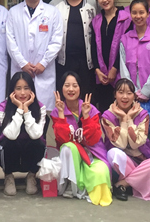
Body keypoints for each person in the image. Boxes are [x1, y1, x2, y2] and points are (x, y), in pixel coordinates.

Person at [102, 78, 150, 201]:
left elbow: (135, 144)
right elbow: (121, 144)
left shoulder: (143, 115)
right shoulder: (107, 116)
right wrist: (124, 119)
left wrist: (129, 120)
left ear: (134, 96)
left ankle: (122, 184)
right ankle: (140, 180)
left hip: (140, 161)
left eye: (129, 93)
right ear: (115, 94)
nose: (125, 97)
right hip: (120, 165)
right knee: (113, 153)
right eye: (121, 92)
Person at [50, 72, 112, 206]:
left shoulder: (91, 109)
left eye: (75, 85)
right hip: (73, 156)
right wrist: (61, 114)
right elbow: (62, 139)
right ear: (61, 88)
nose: (71, 89)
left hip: (92, 154)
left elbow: (94, 139)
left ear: (80, 88)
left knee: (101, 172)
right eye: (67, 85)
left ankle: (82, 188)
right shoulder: (57, 111)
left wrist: (86, 116)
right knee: (68, 147)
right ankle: (70, 184)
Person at [6, 0, 63, 108]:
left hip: (44, 70)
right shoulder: (13, 12)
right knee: (19, 108)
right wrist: (22, 63)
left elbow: (57, 40)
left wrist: (44, 63)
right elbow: (10, 41)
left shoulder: (52, 12)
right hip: (20, 68)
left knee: (43, 110)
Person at [118, 0, 150, 136]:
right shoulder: (125, 39)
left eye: (141, 12)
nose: (138, 16)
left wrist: (146, 91)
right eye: (134, 13)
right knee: (131, 134)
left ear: (147, 14)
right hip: (130, 96)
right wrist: (131, 90)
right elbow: (123, 66)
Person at [0, 72, 46, 197]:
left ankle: (32, 175)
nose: (22, 93)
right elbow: (10, 135)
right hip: (11, 148)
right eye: (18, 88)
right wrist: (19, 109)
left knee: (39, 143)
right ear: (12, 91)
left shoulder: (40, 107)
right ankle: (8, 176)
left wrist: (26, 111)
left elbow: (36, 134)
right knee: (6, 143)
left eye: (26, 88)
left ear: (32, 90)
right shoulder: (3, 107)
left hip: (30, 147)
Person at [50, 0, 98, 96]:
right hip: (63, 61)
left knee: (87, 96)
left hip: (86, 61)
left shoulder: (93, 4)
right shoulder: (54, 5)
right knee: (64, 95)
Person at [89, 0, 131, 112]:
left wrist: (114, 68)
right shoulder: (96, 20)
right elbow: (93, 46)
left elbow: (126, 46)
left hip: (120, 71)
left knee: (120, 110)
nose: (104, 0)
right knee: (104, 111)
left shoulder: (126, 18)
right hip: (101, 74)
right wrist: (97, 69)